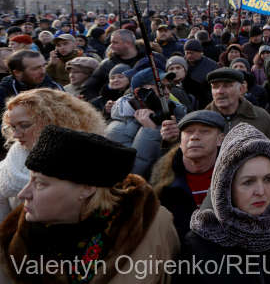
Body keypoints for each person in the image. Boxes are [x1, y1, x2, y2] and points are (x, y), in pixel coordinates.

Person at [0, 125, 180, 283]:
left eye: (40, 183)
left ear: (87, 189)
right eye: (30, 180)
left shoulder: (150, 229)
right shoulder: (13, 239)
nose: (24, 194)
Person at [181, 123, 270, 282]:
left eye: (268, 179)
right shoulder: (198, 245)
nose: (261, 191)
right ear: (226, 187)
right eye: (248, 182)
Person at [0, 89, 106, 219]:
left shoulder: (90, 162)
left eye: (25, 125)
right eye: (13, 127)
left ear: (56, 121)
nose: (16, 135)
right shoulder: (11, 162)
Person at [150, 110, 226, 240]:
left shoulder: (235, 179)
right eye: (188, 131)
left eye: (204, 131)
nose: (194, 137)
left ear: (220, 139)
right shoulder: (162, 184)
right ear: (180, 140)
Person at [105, 68, 190, 177]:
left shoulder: (177, 113)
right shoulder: (117, 129)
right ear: (140, 92)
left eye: (169, 87)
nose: (167, 92)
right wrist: (150, 131)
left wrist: (174, 140)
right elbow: (133, 174)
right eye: (161, 87)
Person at [204, 68, 270, 141]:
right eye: (215, 87)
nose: (219, 91)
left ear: (241, 89)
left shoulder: (261, 118)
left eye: (226, 86)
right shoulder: (202, 121)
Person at [83, 29, 146, 99]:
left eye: (115, 43)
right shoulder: (107, 64)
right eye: (111, 43)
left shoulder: (148, 61)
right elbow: (88, 88)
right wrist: (102, 104)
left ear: (128, 43)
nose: (111, 46)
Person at [183, 39, 218, 108]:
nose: (189, 56)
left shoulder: (212, 65)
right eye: (187, 53)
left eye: (192, 53)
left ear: (200, 53)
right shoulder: (181, 64)